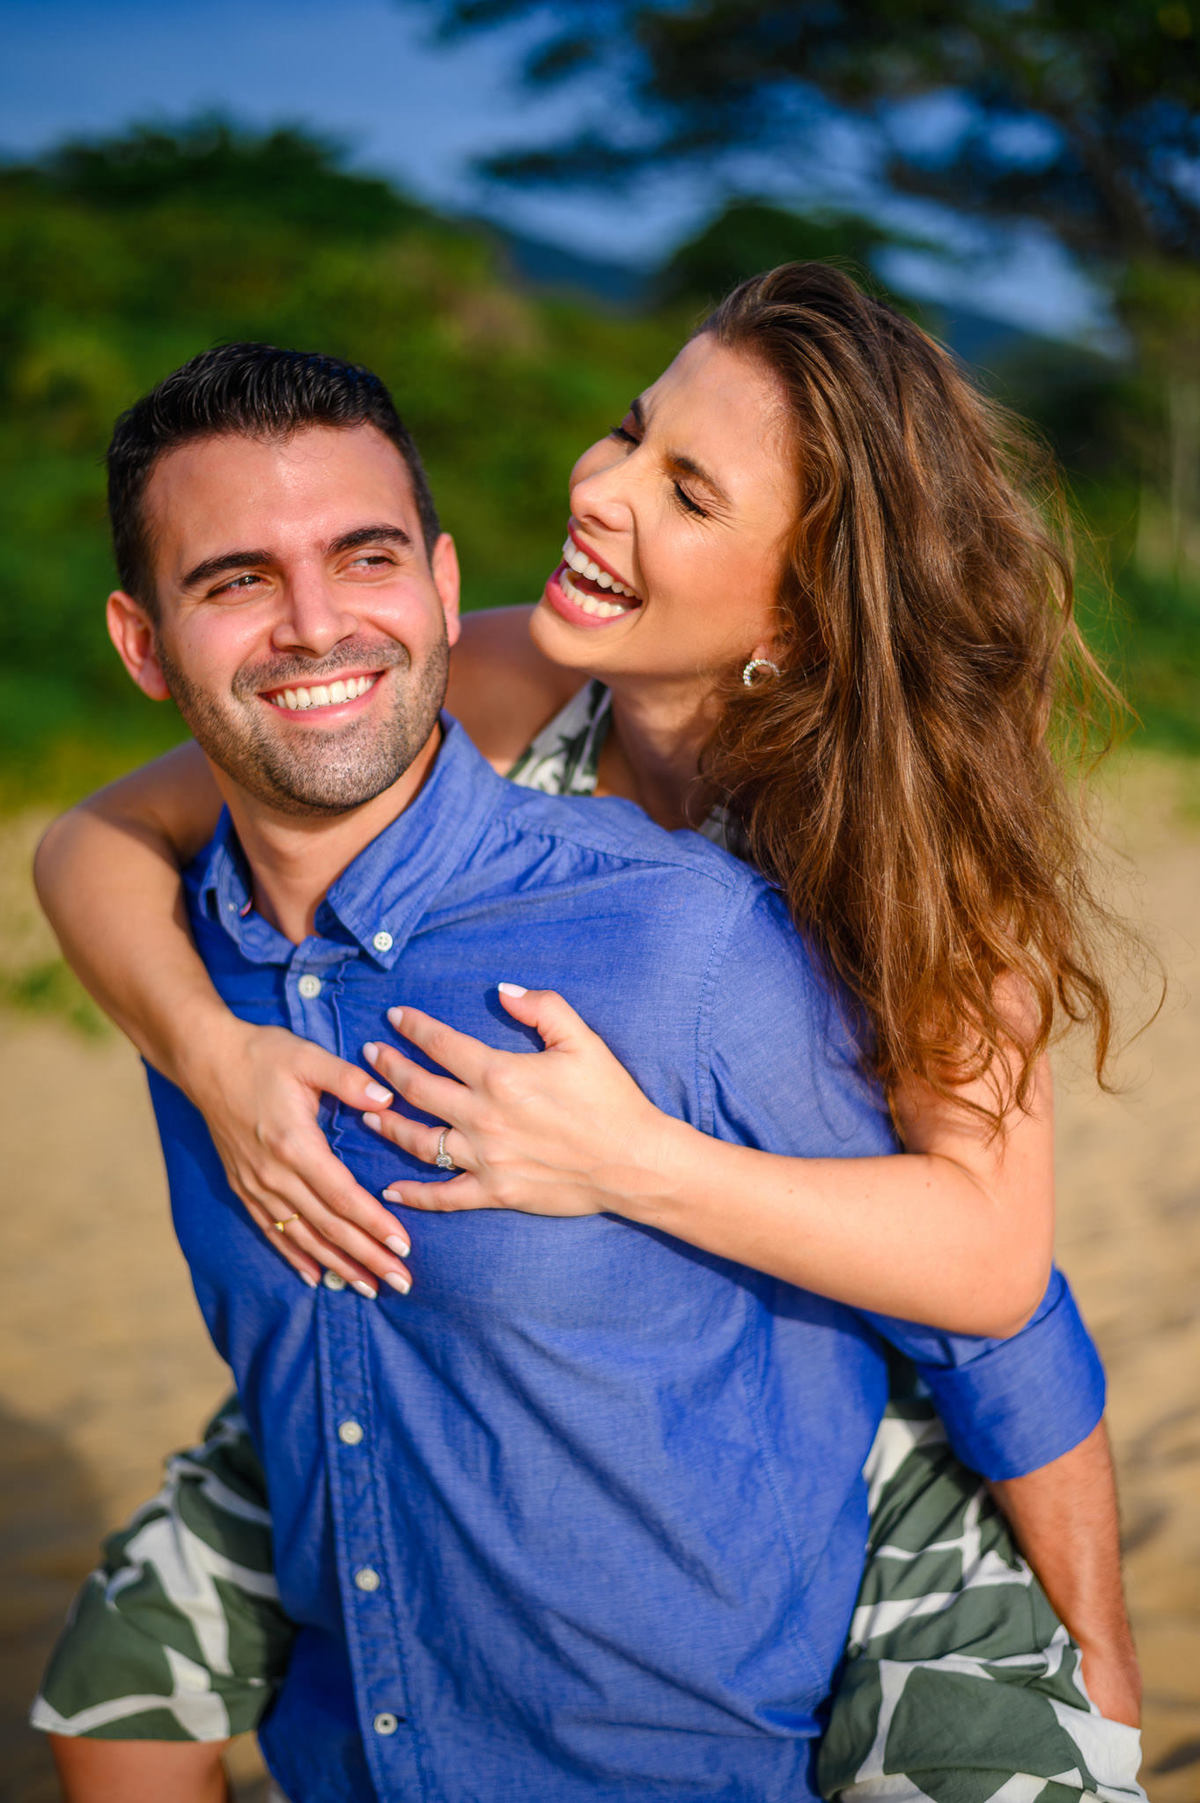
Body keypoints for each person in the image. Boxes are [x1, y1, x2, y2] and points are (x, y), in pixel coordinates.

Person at [32, 289, 1142, 1800]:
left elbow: (997, 1284)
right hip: (445, 1352)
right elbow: (95, 843)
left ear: (803, 602)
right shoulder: (503, 679)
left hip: (830, 1382)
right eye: (632, 426)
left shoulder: (909, 862)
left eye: (685, 490)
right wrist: (212, 1061)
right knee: (118, 1677)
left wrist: (1096, 1662)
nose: (598, 486)